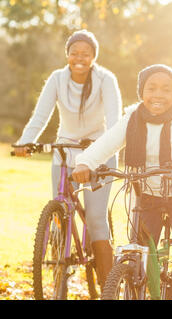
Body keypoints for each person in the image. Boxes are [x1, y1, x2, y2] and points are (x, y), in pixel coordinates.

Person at [72, 64, 172, 300]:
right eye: (152, 88)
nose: (158, 94)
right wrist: (85, 163)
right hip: (146, 198)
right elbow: (107, 143)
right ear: (142, 92)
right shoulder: (132, 118)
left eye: (166, 89)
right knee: (138, 260)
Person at [14, 30, 122, 292]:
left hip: (99, 153)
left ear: (94, 56)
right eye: (74, 53)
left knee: (96, 218)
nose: (79, 58)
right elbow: (40, 116)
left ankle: (107, 288)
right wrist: (25, 141)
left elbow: (115, 121)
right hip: (65, 152)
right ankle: (59, 281)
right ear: (67, 55)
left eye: (85, 53)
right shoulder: (57, 79)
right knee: (60, 213)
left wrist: (103, 148)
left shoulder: (105, 79)